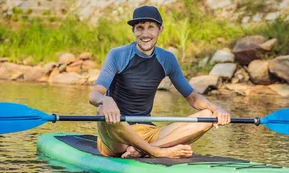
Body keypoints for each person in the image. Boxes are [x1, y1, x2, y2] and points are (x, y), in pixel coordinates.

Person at [88, 5, 231, 159]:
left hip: (148, 133)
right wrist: (106, 100)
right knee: (102, 110)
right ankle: (157, 151)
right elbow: (95, 94)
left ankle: (141, 151)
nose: (145, 34)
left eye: (151, 27)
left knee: (207, 115)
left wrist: (217, 109)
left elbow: (193, 98)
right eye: (140, 28)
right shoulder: (118, 55)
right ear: (133, 31)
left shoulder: (167, 59)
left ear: (160, 29)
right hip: (117, 136)